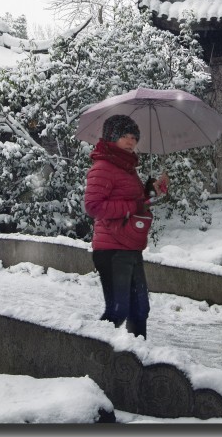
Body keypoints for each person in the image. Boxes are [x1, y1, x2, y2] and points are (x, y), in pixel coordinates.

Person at [83, 114, 168, 339]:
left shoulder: (127, 168)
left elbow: (138, 202)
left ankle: (137, 362)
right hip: (111, 249)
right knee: (118, 311)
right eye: (124, 136)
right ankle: (91, 353)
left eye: (134, 137)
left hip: (129, 246)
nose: (131, 141)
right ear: (111, 137)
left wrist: (152, 191)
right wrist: (132, 206)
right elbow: (93, 207)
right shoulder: (103, 167)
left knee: (140, 310)